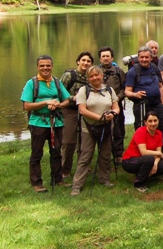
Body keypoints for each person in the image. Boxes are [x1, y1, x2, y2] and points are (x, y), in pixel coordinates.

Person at [21, 55, 71, 193]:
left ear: (52, 66)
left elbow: (67, 100)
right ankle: (37, 183)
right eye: (42, 65)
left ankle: (58, 179)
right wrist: (45, 102)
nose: (45, 68)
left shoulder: (56, 82)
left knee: (56, 152)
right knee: (37, 154)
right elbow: (27, 106)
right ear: (37, 67)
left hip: (56, 122)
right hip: (38, 123)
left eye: (48, 65)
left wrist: (58, 104)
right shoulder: (32, 83)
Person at [71, 65, 120, 196]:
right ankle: (77, 185)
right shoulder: (83, 90)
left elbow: (116, 107)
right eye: (91, 76)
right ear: (88, 78)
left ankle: (104, 179)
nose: (94, 78)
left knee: (105, 154)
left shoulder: (109, 90)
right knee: (86, 155)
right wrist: (100, 117)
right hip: (88, 126)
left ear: (101, 75)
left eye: (96, 75)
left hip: (107, 126)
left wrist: (113, 114)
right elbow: (82, 110)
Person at [60, 51, 94, 178]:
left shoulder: (91, 77)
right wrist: (73, 98)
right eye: (83, 60)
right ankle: (65, 170)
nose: (85, 63)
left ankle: (83, 167)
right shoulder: (69, 75)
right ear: (78, 61)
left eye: (88, 61)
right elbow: (60, 93)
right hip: (70, 111)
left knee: (85, 141)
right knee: (68, 141)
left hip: (86, 111)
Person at [121, 111, 163, 193]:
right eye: (150, 121)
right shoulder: (140, 131)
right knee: (149, 158)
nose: (153, 123)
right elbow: (144, 152)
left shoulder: (159, 133)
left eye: (155, 120)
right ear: (145, 122)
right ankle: (139, 184)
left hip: (145, 160)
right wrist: (159, 154)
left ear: (158, 121)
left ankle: (144, 175)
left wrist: (155, 164)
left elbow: (158, 153)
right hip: (129, 161)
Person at [124, 46, 163, 131]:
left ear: (151, 58)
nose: (144, 59)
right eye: (142, 57)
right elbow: (127, 91)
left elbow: (161, 87)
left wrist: (162, 103)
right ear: (138, 58)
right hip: (141, 105)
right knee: (142, 129)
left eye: (146, 57)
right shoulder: (132, 72)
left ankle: (161, 144)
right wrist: (135, 94)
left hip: (157, 104)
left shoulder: (155, 68)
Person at [98, 46, 127, 165]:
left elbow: (124, 88)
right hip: (100, 105)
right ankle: (104, 155)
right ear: (100, 59)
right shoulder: (95, 71)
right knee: (103, 130)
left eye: (107, 56)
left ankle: (118, 154)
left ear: (112, 58)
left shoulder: (118, 71)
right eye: (103, 56)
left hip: (117, 104)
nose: (105, 58)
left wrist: (118, 98)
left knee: (118, 130)